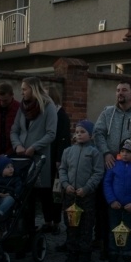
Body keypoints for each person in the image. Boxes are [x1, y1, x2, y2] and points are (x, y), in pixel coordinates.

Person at [93, 80, 131, 257]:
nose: (120, 93)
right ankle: (105, 244)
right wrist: (105, 153)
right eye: (118, 90)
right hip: (111, 164)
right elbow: (98, 133)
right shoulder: (107, 113)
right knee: (106, 206)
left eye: (124, 90)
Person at [11, 77, 58, 234]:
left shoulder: (48, 106)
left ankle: (40, 228)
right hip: (22, 157)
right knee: (24, 198)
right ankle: (24, 231)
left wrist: (34, 147)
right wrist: (17, 144)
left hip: (38, 157)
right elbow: (15, 129)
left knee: (38, 194)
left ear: (33, 89)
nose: (22, 92)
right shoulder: (22, 107)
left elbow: (51, 134)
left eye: (24, 89)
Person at [59, 120, 104, 262]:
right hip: (71, 195)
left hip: (86, 195)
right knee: (71, 224)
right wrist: (65, 184)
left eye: (82, 132)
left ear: (90, 135)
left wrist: (87, 188)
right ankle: (72, 250)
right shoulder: (68, 151)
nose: (79, 134)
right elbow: (63, 169)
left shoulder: (94, 153)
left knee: (86, 224)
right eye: (77, 132)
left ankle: (85, 252)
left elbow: (98, 173)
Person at [103, 138, 131, 262]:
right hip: (115, 205)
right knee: (113, 229)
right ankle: (113, 252)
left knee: (129, 230)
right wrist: (111, 200)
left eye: (128, 152)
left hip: (130, 206)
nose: (125, 154)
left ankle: (128, 253)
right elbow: (107, 183)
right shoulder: (114, 165)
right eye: (122, 151)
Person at [47, 85, 72, 233]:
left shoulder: (61, 115)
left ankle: (56, 222)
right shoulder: (49, 114)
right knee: (47, 192)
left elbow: (63, 139)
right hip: (48, 158)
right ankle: (48, 220)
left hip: (56, 160)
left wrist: (59, 159)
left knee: (56, 193)